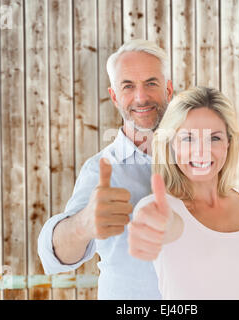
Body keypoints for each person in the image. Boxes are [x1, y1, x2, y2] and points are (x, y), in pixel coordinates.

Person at [37, 39, 173, 299]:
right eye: (128, 86)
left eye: (151, 83)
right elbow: (53, 258)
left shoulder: (198, 160)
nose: (141, 97)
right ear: (114, 96)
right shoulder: (100, 170)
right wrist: (83, 225)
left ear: (168, 89)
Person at [128, 86, 239, 299]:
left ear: (228, 143)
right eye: (188, 139)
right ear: (171, 145)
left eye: (214, 138)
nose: (202, 151)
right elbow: (167, 228)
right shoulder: (158, 209)